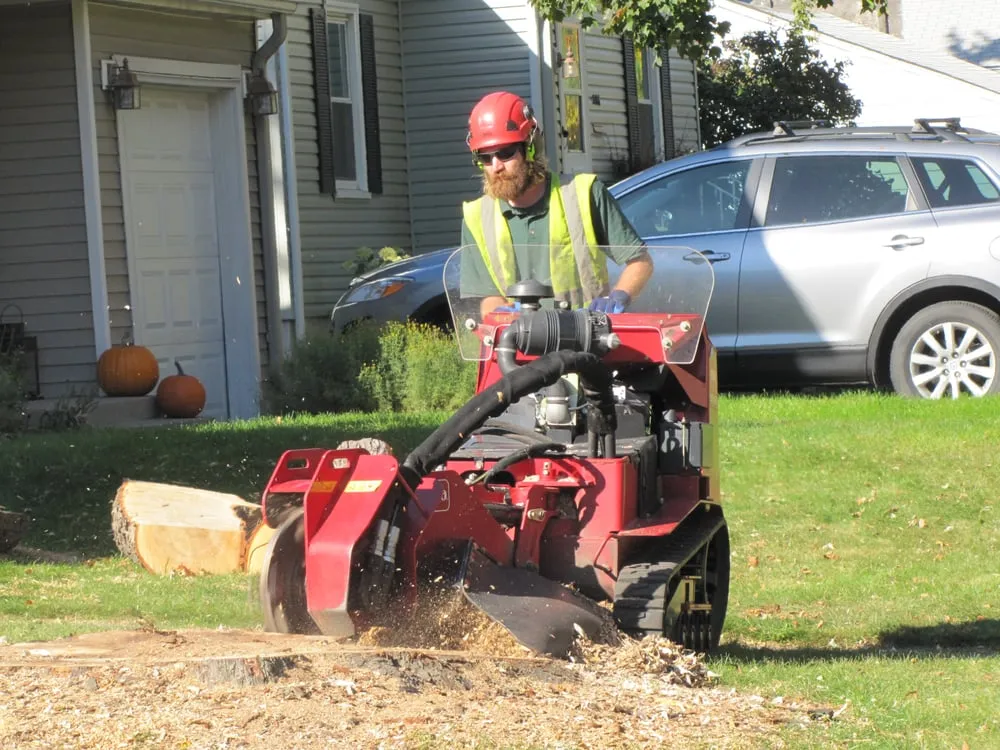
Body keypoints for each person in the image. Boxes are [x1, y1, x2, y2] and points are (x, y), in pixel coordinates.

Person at [459, 90, 653, 316]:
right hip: (519, 336)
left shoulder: (583, 194)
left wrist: (618, 296)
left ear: (530, 147)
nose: (496, 166)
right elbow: (487, 296)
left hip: (586, 332)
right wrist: (500, 315)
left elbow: (640, 262)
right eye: (485, 157)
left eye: (506, 153)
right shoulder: (477, 217)